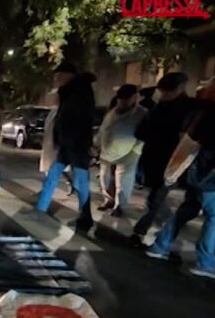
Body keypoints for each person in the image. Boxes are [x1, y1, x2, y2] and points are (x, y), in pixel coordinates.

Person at [145, 77, 215, 281]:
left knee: (187, 210)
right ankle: (205, 263)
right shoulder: (214, 118)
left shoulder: (200, 111)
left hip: (197, 174)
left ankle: (159, 246)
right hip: (210, 177)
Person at [131, 72, 197, 244]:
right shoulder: (160, 107)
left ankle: (142, 231)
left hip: (172, 161)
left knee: (156, 198)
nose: (165, 95)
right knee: (155, 198)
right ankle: (166, 227)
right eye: (163, 91)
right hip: (155, 159)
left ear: (180, 88)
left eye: (168, 91)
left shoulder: (188, 109)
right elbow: (141, 132)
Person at [29, 61, 96, 229]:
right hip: (66, 144)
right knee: (52, 175)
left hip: (77, 145)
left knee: (80, 182)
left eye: (59, 75)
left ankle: (85, 217)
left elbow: (82, 119)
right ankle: (40, 209)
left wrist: (79, 142)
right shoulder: (68, 91)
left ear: (68, 75)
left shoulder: (81, 90)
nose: (56, 79)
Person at [96, 85, 147, 217]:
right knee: (105, 178)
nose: (123, 102)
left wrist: (136, 151)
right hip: (106, 151)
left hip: (129, 152)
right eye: (121, 99)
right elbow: (103, 129)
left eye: (126, 99)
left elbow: (144, 135)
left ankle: (119, 206)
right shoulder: (112, 112)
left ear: (134, 97)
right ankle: (108, 200)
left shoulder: (141, 114)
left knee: (123, 180)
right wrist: (97, 143)